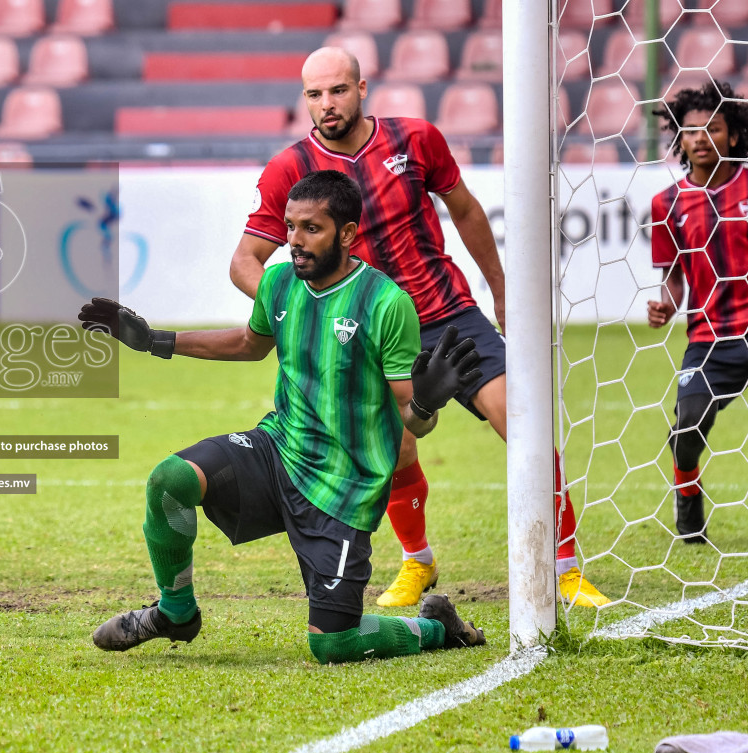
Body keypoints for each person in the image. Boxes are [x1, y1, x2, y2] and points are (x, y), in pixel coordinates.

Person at [230, 46, 610, 608]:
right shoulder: (291, 167)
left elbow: (467, 211)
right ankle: (418, 563)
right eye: (314, 94)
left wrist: (501, 288)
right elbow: (244, 261)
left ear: (362, 90)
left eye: (337, 91)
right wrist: (302, 305)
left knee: (523, 422)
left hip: (448, 314)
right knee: (398, 449)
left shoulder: (415, 139)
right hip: (372, 335)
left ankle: (566, 566)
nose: (326, 104)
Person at [84, 171, 488, 662]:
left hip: (344, 486)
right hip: (278, 450)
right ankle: (175, 612)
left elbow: (413, 420)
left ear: (346, 233)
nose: (294, 242)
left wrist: (427, 402)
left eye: (310, 229)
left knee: (333, 645)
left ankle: (436, 627)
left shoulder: (386, 303)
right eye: (290, 227)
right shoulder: (279, 282)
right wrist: (155, 340)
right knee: (170, 480)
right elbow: (249, 344)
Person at [648, 80, 748, 544]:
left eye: (713, 128)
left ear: (732, 135)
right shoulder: (667, 204)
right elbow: (672, 274)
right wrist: (667, 302)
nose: (702, 137)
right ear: (680, 140)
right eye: (692, 131)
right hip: (710, 338)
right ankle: (688, 493)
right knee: (686, 427)